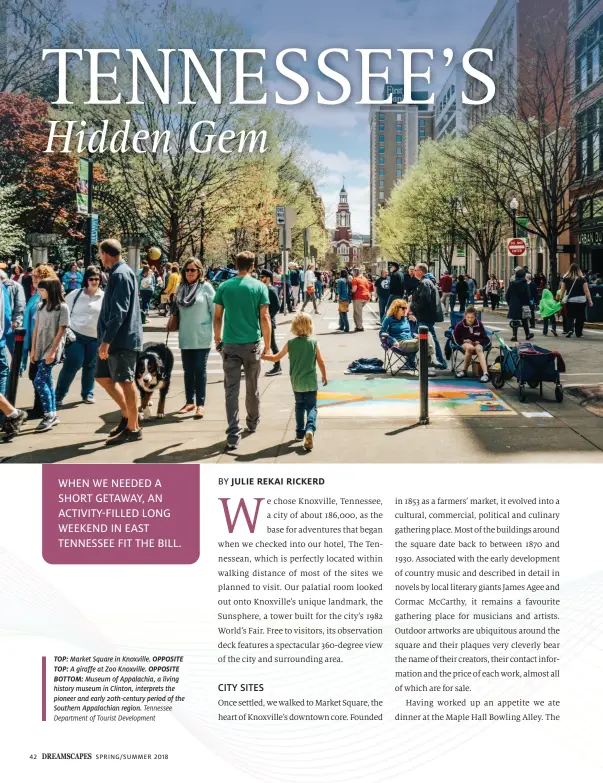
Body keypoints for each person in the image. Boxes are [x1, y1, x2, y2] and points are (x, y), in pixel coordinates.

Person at [213, 251, 272, 451]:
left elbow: (218, 316)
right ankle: (252, 422)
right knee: (252, 386)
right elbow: (265, 318)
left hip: (230, 344)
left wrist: (217, 338)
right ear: (253, 265)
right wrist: (268, 344)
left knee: (231, 390)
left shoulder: (224, 286)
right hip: (252, 344)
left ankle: (232, 434)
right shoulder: (259, 287)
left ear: (236, 265)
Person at [95, 238, 144, 445]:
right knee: (102, 377)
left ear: (105, 253)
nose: (99, 257)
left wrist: (106, 340)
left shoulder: (121, 274)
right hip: (114, 340)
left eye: (100, 253)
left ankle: (133, 428)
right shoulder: (118, 273)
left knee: (126, 381)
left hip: (121, 340)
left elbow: (119, 311)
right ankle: (127, 416)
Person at [262, 312, 327, 452]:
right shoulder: (314, 343)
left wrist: (265, 357)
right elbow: (321, 361)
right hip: (310, 382)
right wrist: (324, 375)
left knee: (299, 405)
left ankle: (299, 432)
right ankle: (310, 428)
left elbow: (276, 357)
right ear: (310, 326)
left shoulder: (290, 343)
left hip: (296, 382)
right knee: (312, 407)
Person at [55, 266, 104, 407]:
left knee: (90, 366)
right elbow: (63, 311)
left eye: (97, 279)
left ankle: (88, 393)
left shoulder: (104, 296)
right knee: (72, 364)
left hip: (95, 337)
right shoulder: (75, 294)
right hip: (76, 336)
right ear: (86, 280)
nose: (94, 281)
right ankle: (59, 395)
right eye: (91, 279)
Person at [176, 257, 216, 418]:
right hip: (185, 335)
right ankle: (189, 401)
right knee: (188, 371)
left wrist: (218, 334)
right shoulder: (181, 288)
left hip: (202, 335)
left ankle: (200, 404)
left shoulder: (205, 287)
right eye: (187, 270)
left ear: (199, 271)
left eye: (193, 270)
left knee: (200, 370)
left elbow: (215, 311)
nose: (190, 273)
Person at [31, 278, 70, 432]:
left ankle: (49, 416)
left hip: (53, 348)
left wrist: (53, 351)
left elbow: (62, 330)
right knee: (46, 380)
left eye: (41, 290)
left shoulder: (62, 307)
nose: (39, 292)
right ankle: (53, 414)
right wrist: (33, 350)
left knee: (39, 381)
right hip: (40, 347)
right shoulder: (40, 306)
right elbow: (36, 328)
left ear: (51, 290)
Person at [20, 264, 57, 419]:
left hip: (41, 343)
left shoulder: (46, 297)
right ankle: (41, 407)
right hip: (33, 341)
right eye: (33, 276)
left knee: (39, 377)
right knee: (39, 376)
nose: (32, 278)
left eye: (36, 276)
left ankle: (44, 410)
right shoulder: (37, 295)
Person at [379, 299, 437, 375]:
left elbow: (412, 332)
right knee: (423, 342)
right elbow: (382, 333)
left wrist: (415, 322)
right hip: (400, 343)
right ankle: (429, 365)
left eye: (406, 308)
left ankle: (431, 361)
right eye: (403, 308)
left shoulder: (406, 319)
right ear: (396, 308)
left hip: (411, 341)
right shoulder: (388, 319)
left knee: (427, 334)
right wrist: (392, 340)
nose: (405, 310)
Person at [410, 263, 447, 369]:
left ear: (421, 271)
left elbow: (424, 299)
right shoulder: (425, 282)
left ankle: (437, 361)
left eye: (415, 270)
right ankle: (435, 360)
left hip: (425, 316)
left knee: (421, 338)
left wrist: (414, 306)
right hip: (425, 316)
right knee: (424, 338)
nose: (413, 272)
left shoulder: (425, 282)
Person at [452, 306, 490, 383]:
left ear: (475, 317)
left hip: (477, 343)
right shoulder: (460, 325)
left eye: (472, 317)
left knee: (479, 349)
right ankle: (464, 371)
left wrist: (479, 342)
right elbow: (455, 338)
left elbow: (485, 338)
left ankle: (486, 373)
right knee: (470, 348)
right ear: (465, 316)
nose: (470, 319)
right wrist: (464, 340)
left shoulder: (479, 324)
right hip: (464, 344)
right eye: (468, 317)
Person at [559, 263, 593, 339]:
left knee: (570, 316)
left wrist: (560, 299)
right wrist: (590, 300)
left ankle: (570, 329)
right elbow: (586, 291)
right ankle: (579, 333)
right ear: (578, 270)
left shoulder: (566, 278)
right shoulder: (582, 279)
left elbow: (562, 290)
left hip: (571, 300)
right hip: (581, 300)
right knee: (580, 317)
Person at [260, 269, 282, 377]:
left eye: (262, 277)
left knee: (272, 344)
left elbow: (277, 306)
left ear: (268, 278)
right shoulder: (264, 289)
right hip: (263, 321)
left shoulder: (271, 290)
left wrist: (269, 317)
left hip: (268, 322)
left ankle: (278, 366)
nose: (260, 279)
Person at [506, 267, 534, 342]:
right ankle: (527, 334)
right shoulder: (525, 284)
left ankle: (514, 335)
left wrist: (509, 302)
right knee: (524, 320)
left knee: (514, 320)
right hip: (523, 304)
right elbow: (528, 295)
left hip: (514, 304)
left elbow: (507, 294)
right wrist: (528, 303)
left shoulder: (512, 284)